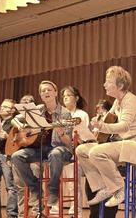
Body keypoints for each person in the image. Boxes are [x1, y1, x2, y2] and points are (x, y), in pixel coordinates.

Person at [78, 66, 136, 207]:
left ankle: (120, 189)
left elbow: (124, 126)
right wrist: (96, 129)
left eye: (108, 81)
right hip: (125, 144)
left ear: (120, 85)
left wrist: (101, 127)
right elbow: (108, 120)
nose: (104, 84)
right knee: (81, 150)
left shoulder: (130, 100)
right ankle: (102, 187)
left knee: (96, 152)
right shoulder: (117, 102)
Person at [11, 81, 74, 211]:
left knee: (56, 153)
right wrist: (20, 126)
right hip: (40, 149)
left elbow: (68, 142)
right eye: (43, 90)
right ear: (40, 95)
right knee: (17, 156)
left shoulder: (65, 113)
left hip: (60, 149)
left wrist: (61, 132)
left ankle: (52, 189)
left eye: (49, 90)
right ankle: (35, 189)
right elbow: (14, 119)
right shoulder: (37, 110)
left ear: (56, 93)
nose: (46, 92)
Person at [60, 86, 92, 216]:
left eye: (69, 95)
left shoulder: (81, 114)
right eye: (63, 96)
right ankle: (57, 207)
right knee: (61, 182)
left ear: (76, 98)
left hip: (76, 150)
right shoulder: (61, 114)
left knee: (74, 183)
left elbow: (83, 135)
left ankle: (76, 211)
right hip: (62, 149)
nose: (65, 98)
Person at [11, 94, 40, 216]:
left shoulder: (38, 117)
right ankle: (21, 215)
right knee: (19, 187)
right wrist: (19, 126)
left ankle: (36, 211)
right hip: (19, 156)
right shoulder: (18, 117)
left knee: (35, 173)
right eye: (22, 102)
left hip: (35, 156)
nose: (25, 104)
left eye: (28, 102)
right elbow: (13, 120)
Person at [0, 99, 18, 218]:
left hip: (5, 156)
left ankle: (11, 215)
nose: (1, 108)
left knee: (10, 187)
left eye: (5, 107)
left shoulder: (14, 123)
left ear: (12, 110)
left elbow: (17, 142)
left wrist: (7, 137)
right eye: (1, 106)